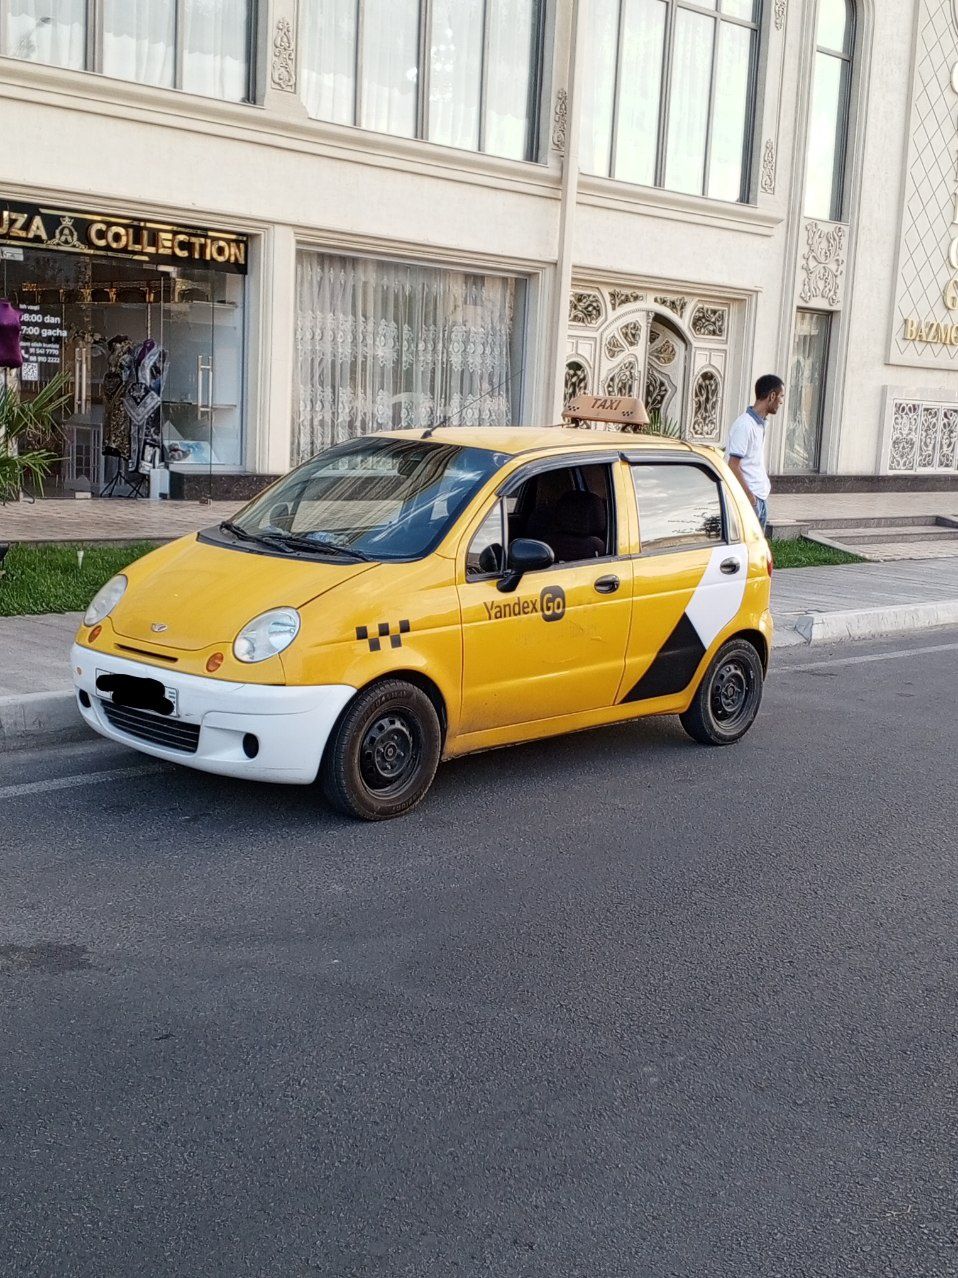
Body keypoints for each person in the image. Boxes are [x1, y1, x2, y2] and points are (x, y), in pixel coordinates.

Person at [725, 374, 784, 533]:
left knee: (757, 551)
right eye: (781, 396)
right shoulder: (745, 425)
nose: (781, 402)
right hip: (750, 499)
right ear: (772, 396)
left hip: (759, 498)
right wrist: (750, 498)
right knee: (750, 551)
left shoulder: (760, 424)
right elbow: (732, 465)